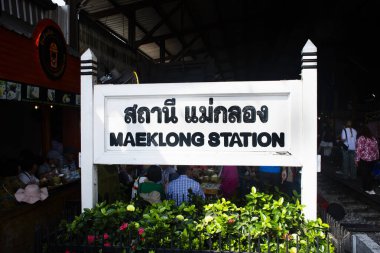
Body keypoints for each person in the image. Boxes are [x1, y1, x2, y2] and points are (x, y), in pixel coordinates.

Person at [355, 125, 379, 195]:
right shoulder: (373, 138)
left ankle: (368, 189)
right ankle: (367, 188)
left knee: (365, 174)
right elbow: (376, 149)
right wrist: (377, 158)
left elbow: (358, 150)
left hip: (364, 159)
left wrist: (356, 160)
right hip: (373, 159)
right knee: (369, 174)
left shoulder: (361, 138)